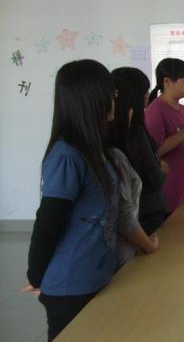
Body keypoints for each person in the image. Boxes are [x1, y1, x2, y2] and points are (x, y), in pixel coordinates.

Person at [23, 60, 120, 341]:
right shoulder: (67, 155)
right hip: (70, 285)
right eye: (111, 94)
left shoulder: (96, 149)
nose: (115, 100)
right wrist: (36, 276)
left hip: (96, 275)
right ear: (92, 99)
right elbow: (47, 222)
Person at [108, 68, 164, 265]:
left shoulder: (127, 131)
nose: (148, 96)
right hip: (143, 219)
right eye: (144, 92)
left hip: (138, 222)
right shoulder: (133, 134)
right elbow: (124, 214)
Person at [145, 58, 184, 213]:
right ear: (166, 81)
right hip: (165, 200)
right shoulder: (155, 111)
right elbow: (153, 153)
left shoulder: (183, 110)